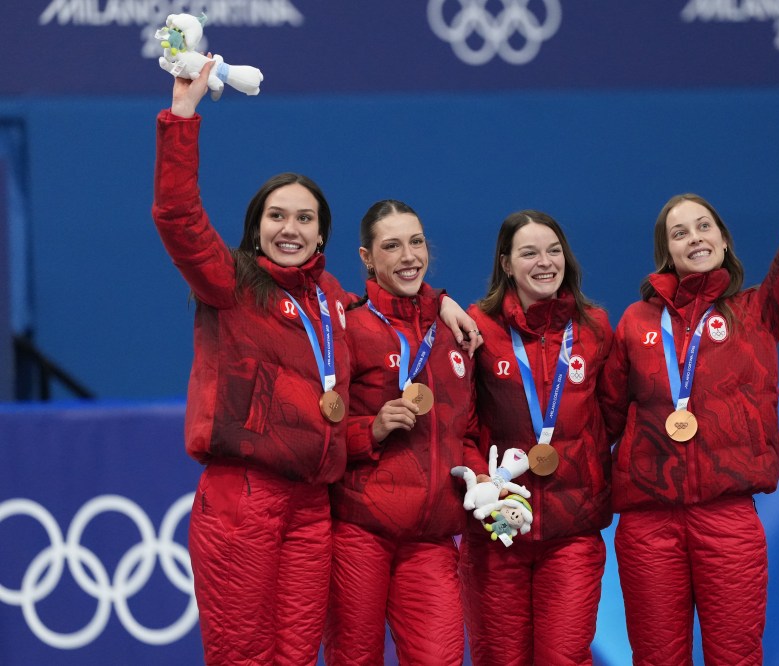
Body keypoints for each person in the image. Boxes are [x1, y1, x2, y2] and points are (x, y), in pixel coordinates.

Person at [152, 64, 479, 665]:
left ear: (322, 235)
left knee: (299, 657)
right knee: (244, 657)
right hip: (242, 496)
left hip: (311, 509)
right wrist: (182, 117)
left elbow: (396, 298)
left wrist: (442, 302)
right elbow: (178, 217)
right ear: (256, 228)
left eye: (305, 218)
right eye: (277, 216)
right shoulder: (230, 283)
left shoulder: (330, 300)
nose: (291, 228)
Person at [598, 88, 779, 665]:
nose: (694, 237)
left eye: (704, 227)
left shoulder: (758, 313)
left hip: (728, 517)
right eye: (680, 233)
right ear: (666, 253)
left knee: (736, 657)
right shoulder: (635, 322)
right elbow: (602, 421)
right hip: (647, 524)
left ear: (722, 239)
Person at [323, 200, 485, 666]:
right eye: (392, 246)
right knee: (354, 658)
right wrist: (370, 430)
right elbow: (321, 430)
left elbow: (467, 432)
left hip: (431, 539)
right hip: (360, 532)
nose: (409, 256)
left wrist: (481, 478)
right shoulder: (349, 327)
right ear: (367, 257)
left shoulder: (455, 332)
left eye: (416, 242)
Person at [460, 210, 613, 665]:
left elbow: (614, 415)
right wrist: (483, 482)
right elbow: (461, 424)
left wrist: (589, 468)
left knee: (564, 657)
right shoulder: (477, 328)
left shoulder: (594, 328)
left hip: (572, 533)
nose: (545, 262)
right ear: (506, 264)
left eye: (553, 251)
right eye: (529, 253)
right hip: (497, 532)